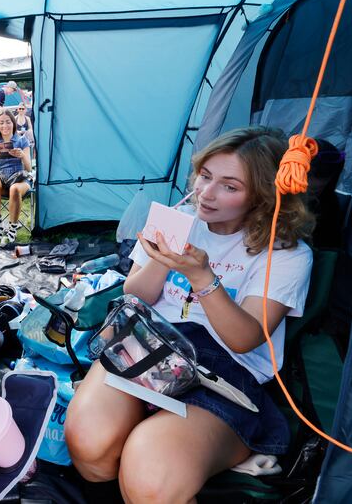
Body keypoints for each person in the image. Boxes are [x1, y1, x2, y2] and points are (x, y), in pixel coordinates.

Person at [64, 127, 315, 503]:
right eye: (205, 176)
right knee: (89, 446)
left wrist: (202, 276)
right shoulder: (178, 217)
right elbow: (136, 294)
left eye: (230, 186)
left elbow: (244, 339)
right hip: (148, 344)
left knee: (150, 478)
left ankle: (183, 452)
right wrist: (162, 260)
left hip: (223, 371)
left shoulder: (285, 253)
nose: (207, 193)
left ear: (262, 197)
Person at [0, 109, 32, 243]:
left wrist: (22, 156)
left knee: (15, 189)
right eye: (1, 123)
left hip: (20, 178)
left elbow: (29, 168)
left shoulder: (22, 140)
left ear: (13, 123)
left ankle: (12, 227)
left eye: (8, 122)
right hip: (3, 178)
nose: (4, 126)